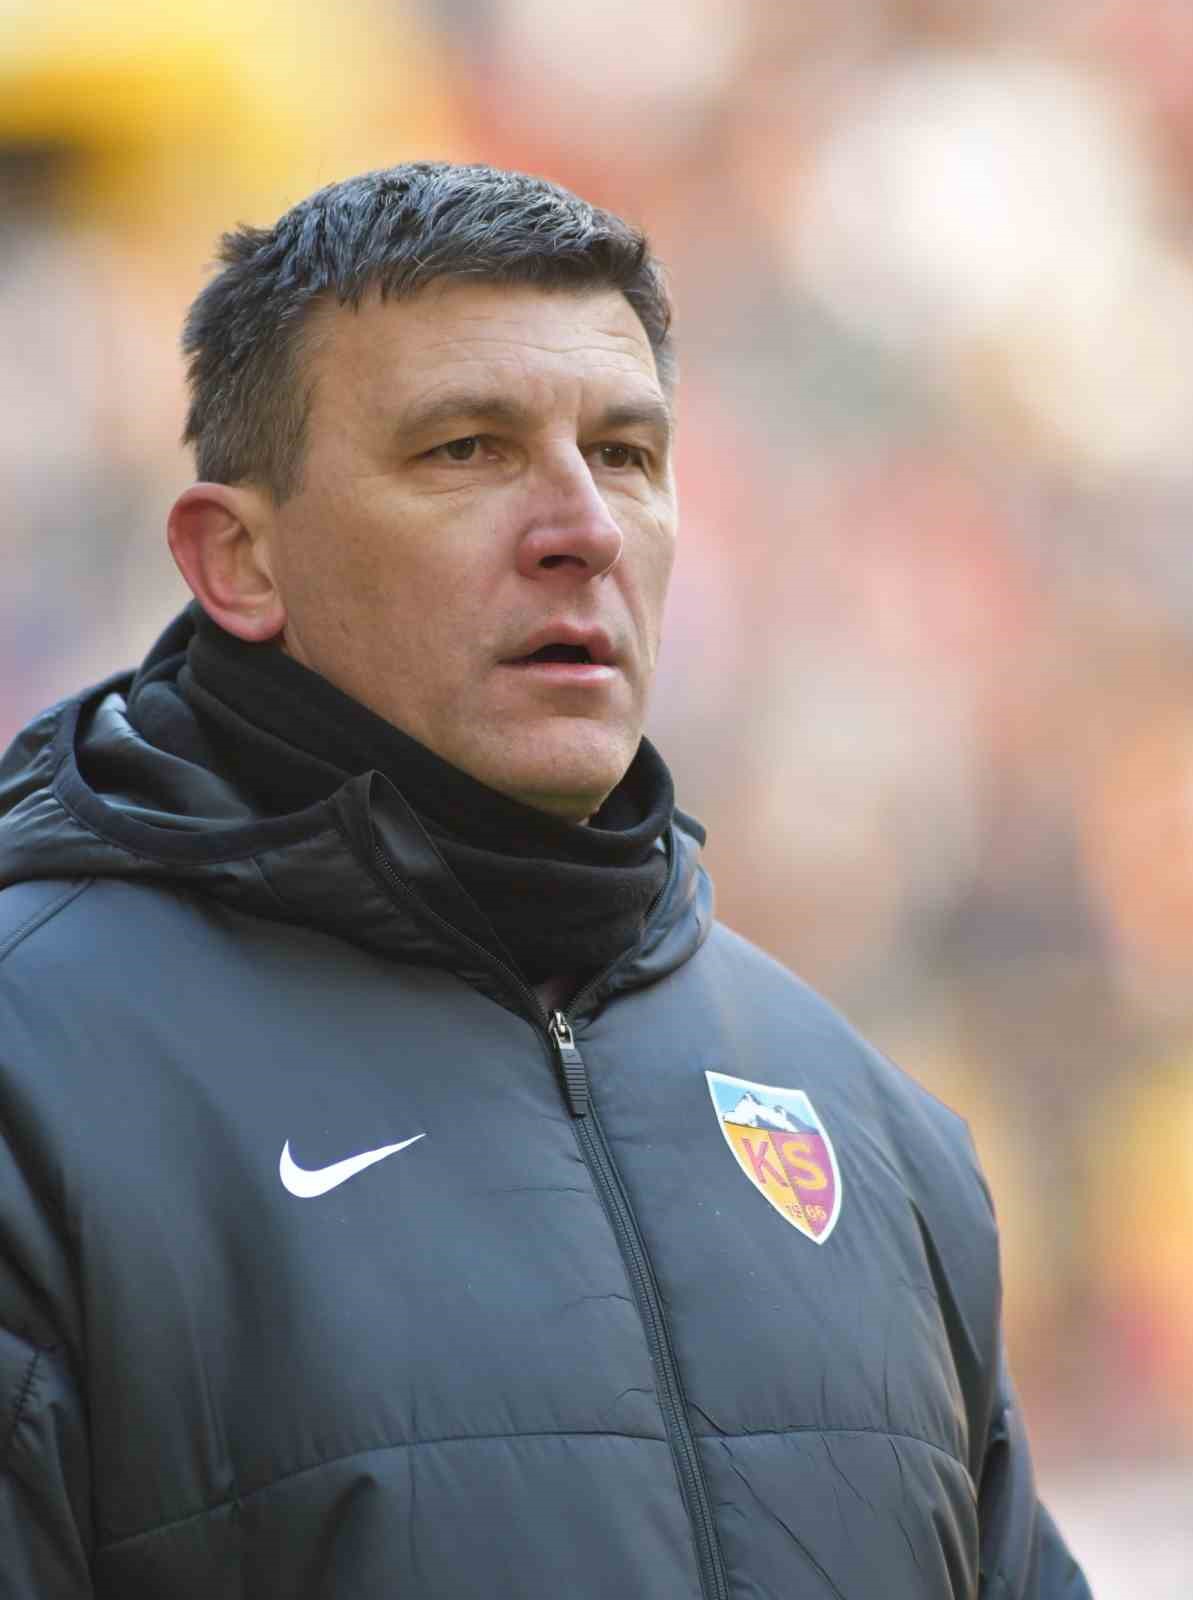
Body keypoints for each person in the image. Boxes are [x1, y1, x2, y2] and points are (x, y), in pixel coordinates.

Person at [0, 162, 1088, 1599]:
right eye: (465, 449)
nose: (582, 527)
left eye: (626, 454)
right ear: (239, 559)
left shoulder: (873, 1131)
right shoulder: (37, 1074)